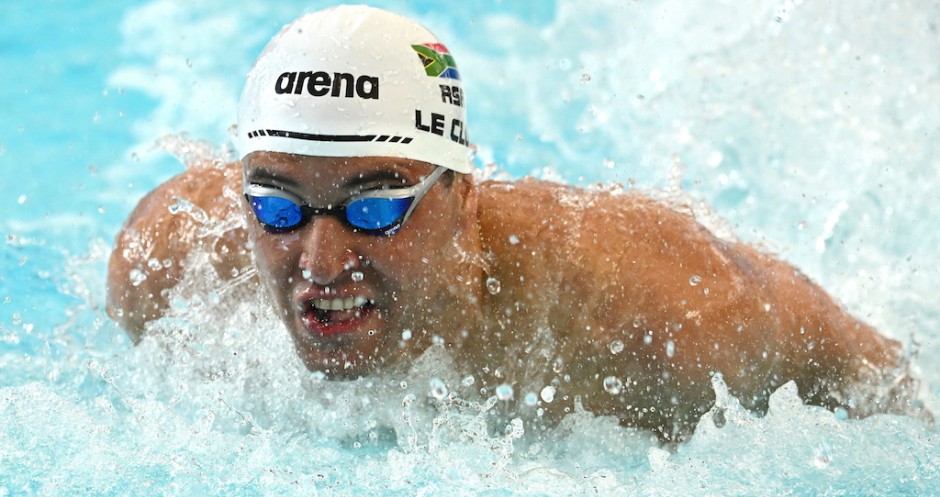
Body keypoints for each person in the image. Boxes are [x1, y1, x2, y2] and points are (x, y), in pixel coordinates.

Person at [106, 5, 922, 440]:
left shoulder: (668, 316)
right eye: (278, 207)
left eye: (377, 208)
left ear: (461, 198)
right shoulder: (167, 264)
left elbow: (882, 384)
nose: (319, 260)